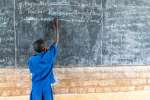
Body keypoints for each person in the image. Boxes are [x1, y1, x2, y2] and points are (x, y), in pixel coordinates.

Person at [27, 18, 60, 100]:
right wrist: (56, 27)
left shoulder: (31, 60)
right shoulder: (49, 56)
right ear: (44, 47)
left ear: (35, 50)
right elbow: (56, 42)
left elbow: (31, 71)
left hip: (36, 87)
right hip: (46, 87)